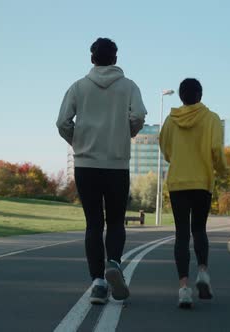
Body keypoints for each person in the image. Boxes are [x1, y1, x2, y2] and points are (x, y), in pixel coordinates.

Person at [56, 38, 147, 304]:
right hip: (117, 164)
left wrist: (79, 141)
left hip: (86, 164)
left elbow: (62, 121)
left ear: (92, 58)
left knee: (93, 224)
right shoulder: (129, 87)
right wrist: (125, 133)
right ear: (115, 58)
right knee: (116, 221)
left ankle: (97, 283)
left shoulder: (78, 87)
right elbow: (139, 115)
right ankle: (114, 264)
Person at [159, 78, 226, 309]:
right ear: (200, 94)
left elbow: (165, 148)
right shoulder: (212, 119)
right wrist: (222, 168)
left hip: (178, 182)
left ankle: (184, 289)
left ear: (180, 96)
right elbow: (216, 149)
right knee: (199, 229)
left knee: (181, 235)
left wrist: (176, 158)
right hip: (202, 181)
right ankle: (203, 273)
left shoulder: (170, 120)